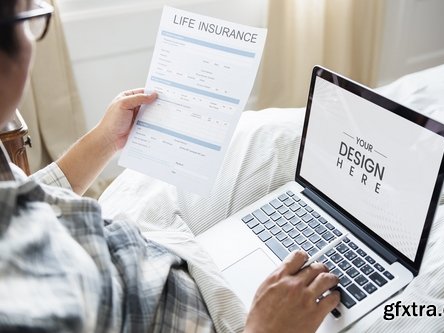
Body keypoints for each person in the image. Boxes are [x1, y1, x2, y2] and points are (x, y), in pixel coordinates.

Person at [0, 1, 341, 332]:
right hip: (211, 310)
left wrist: (105, 139)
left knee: (262, 132)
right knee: (286, 142)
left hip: (127, 238)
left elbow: (26, 199)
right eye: (28, 17)